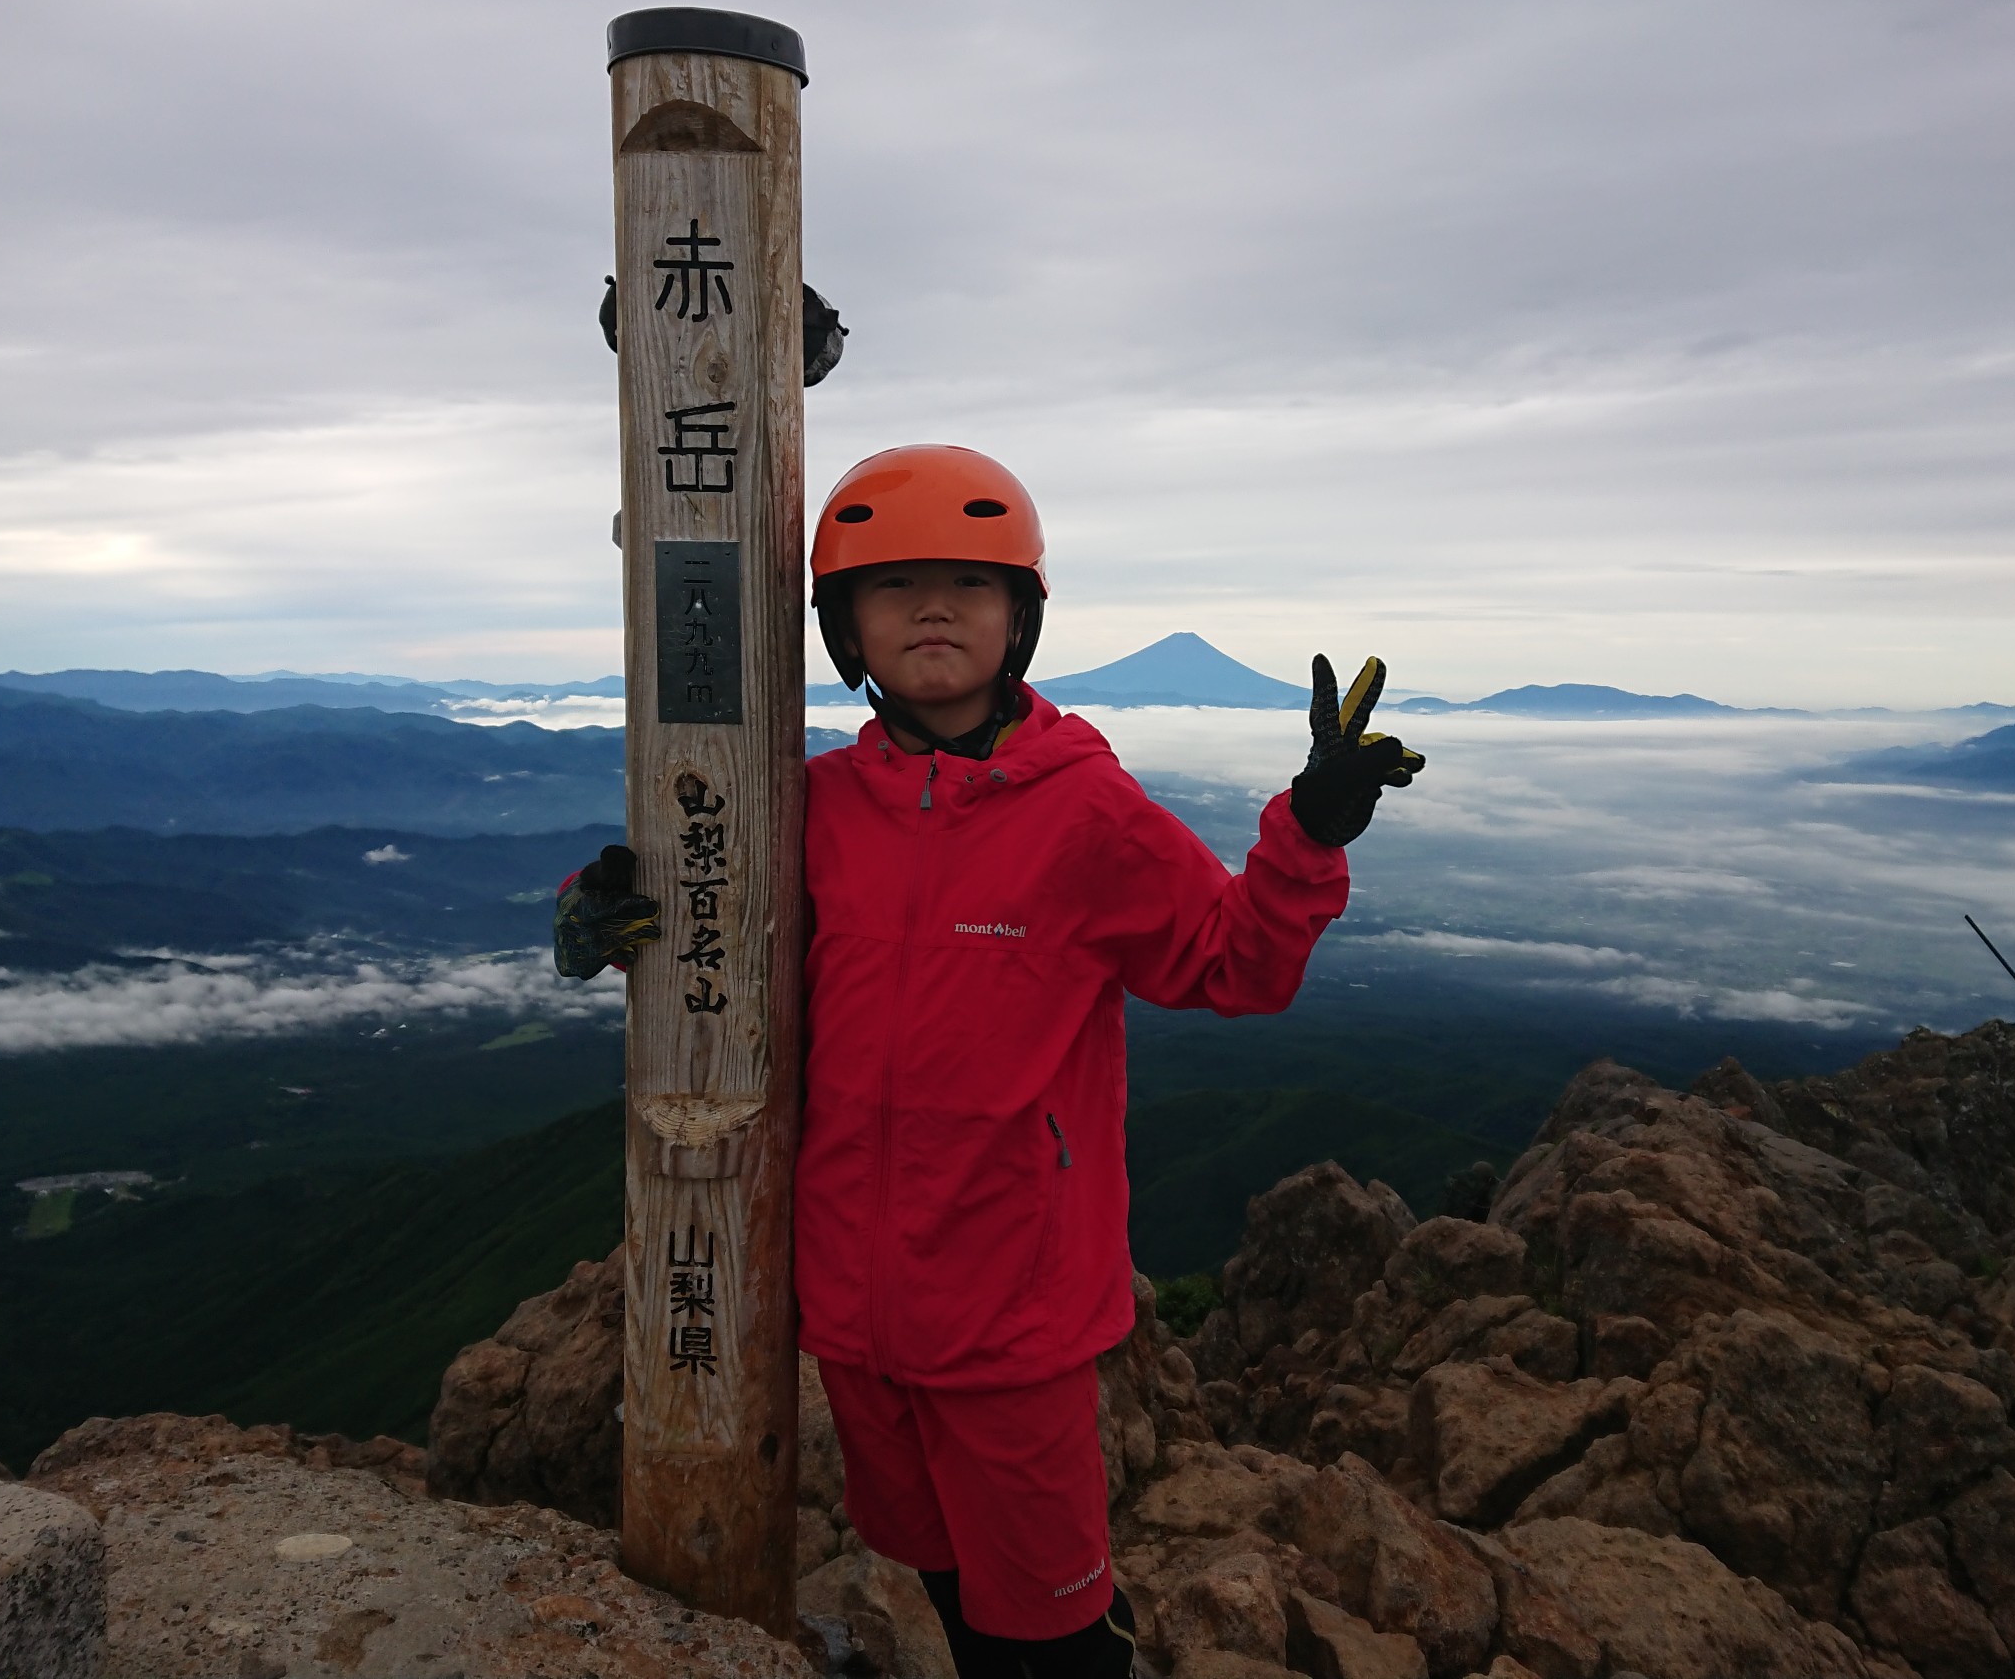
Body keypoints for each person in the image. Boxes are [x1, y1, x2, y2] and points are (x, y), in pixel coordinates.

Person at [556, 445, 1422, 1678]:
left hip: (1011, 1328)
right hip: (852, 1324)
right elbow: (693, 913)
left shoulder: (1085, 814)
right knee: (942, 1583)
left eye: (969, 582)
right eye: (892, 583)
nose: (930, 608)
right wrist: (596, 919)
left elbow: (1235, 964)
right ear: (842, 623)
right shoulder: (811, 806)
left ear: (1019, 617)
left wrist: (1310, 831)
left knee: (1053, 1639)